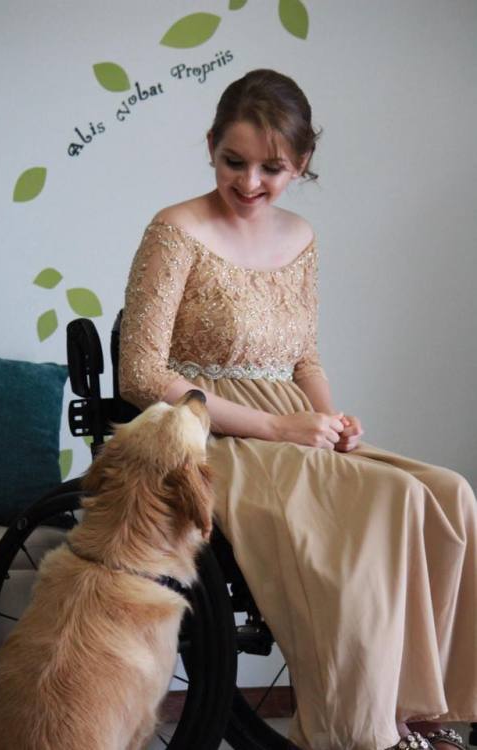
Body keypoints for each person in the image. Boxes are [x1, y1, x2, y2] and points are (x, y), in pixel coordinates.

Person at [118, 69, 476, 750]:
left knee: (450, 493)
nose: (250, 183)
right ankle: (365, 729)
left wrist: (332, 422)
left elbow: (304, 355)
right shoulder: (174, 231)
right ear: (211, 145)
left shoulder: (302, 237)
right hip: (209, 434)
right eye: (234, 162)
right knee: (394, 502)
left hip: (292, 423)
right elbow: (140, 374)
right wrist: (280, 427)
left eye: (272, 168)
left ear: (301, 163)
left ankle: (428, 706)